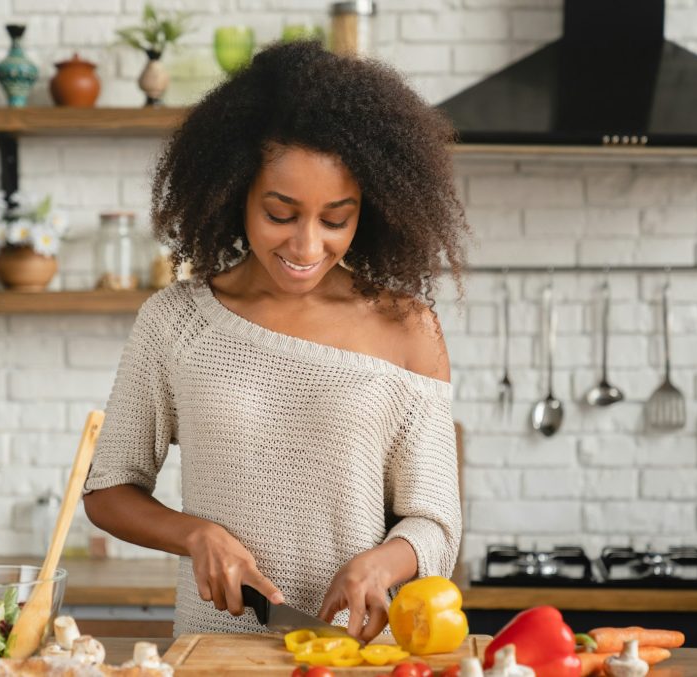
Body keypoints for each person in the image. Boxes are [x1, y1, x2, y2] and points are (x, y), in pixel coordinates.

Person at [83, 40, 467, 641]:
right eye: (281, 214)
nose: (307, 247)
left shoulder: (408, 327)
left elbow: (435, 523)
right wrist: (196, 534)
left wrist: (381, 564)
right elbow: (108, 491)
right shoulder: (177, 323)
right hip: (216, 651)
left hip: (354, 654)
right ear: (234, 191)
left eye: (336, 218)